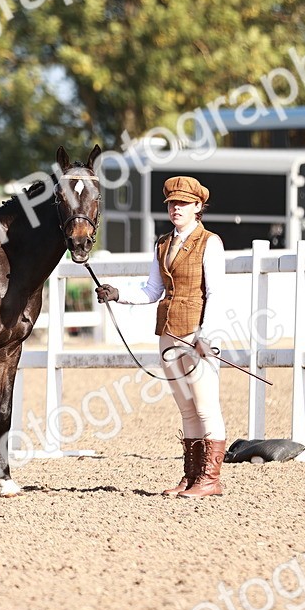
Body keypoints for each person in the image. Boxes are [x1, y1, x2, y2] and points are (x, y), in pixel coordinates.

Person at [95, 175, 228, 498]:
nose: (176, 208)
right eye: (171, 203)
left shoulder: (210, 243)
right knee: (186, 408)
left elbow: (216, 293)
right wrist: (117, 293)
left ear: (198, 207)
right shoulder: (163, 244)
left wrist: (206, 336)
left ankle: (210, 478)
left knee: (206, 405)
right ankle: (192, 475)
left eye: (182, 203)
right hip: (168, 333)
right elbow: (152, 290)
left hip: (195, 335)